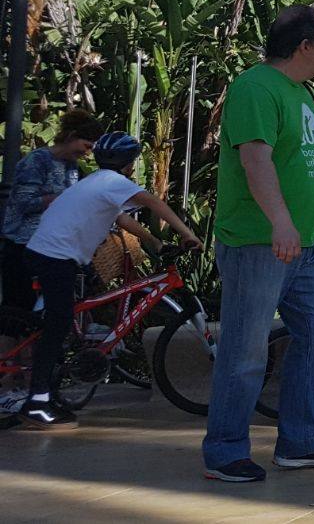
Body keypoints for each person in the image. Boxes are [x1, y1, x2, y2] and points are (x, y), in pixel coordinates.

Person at [203, 5, 314, 483]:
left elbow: (300, 163)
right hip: (258, 243)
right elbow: (255, 161)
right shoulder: (254, 87)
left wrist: (311, 227)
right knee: (245, 349)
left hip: (304, 247)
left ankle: (300, 442)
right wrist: (282, 222)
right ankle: (225, 450)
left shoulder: (300, 93)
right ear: (305, 46)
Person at [17, 132, 200, 429]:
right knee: (58, 324)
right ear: (129, 165)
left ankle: (53, 388)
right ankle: (36, 403)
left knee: (69, 315)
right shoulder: (115, 183)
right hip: (55, 257)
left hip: (50, 253)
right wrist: (188, 235)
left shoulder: (96, 182)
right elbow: (153, 202)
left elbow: (122, 219)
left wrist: (154, 242)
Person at [1, 109, 105, 311]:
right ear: (71, 136)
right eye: (86, 145)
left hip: (49, 246)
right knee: (15, 312)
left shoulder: (71, 166)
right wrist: (62, 200)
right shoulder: (37, 161)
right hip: (22, 244)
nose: (87, 152)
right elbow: (23, 203)